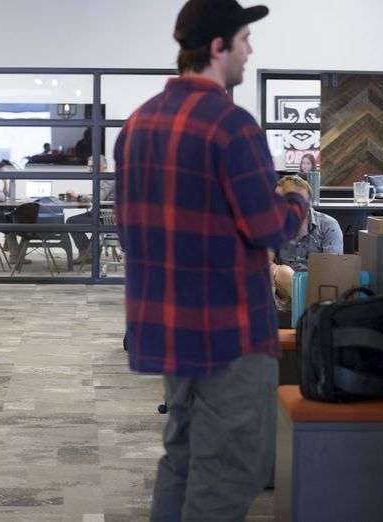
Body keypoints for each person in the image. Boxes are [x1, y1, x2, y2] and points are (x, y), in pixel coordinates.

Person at [114, 2, 307, 520]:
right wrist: (297, 203)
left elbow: (127, 227)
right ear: (218, 47)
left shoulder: (137, 123)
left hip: (169, 328)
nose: (250, 49)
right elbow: (268, 226)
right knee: (231, 471)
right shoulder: (231, 125)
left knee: (182, 456)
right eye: (244, 38)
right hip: (230, 334)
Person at [271, 175, 342, 304]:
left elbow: (332, 269)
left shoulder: (328, 225)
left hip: (318, 287)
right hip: (282, 291)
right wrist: (281, 273)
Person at [66, 155, 112, 263]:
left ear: (104, 165)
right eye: (89, 166)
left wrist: (78, 196)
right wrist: (80, 196)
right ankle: (88, 252)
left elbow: (99, 198)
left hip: (106, 216)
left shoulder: (108, 179)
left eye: (92, 166)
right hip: (99, 213)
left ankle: (87, 253)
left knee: (72, 222)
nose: (89, 169)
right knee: (72, 221)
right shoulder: (102, 179)